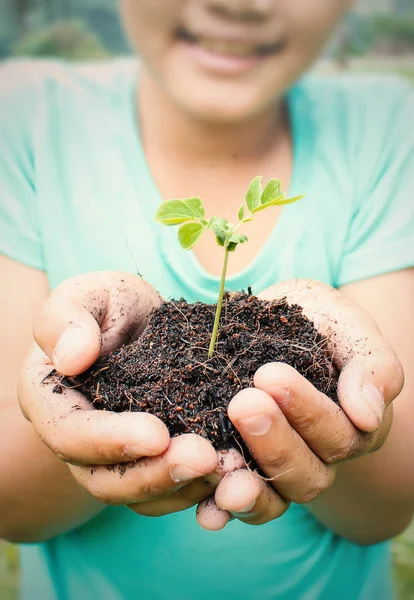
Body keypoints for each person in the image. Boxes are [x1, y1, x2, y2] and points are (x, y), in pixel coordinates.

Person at [1, 1, 413, 599]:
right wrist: (82, 401)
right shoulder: (26, 120)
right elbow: (10, 508)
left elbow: (388, 510)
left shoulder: (388, 127)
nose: (240, 3)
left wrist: (347, 417)